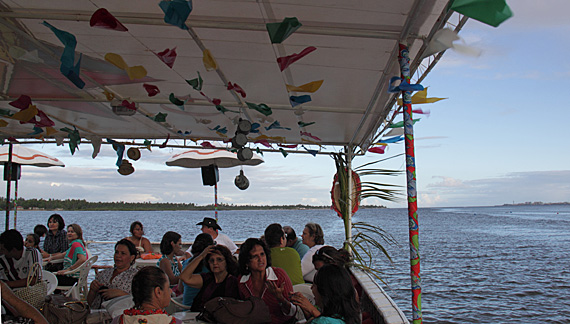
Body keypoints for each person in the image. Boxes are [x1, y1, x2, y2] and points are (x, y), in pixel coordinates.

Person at [238, 238, 295, 324]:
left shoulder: (279, 275)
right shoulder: (242, 281)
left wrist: (280, 299)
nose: (260, 259)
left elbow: (293, 312)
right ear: (247, 262)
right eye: (255, 256)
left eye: (262, 254)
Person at [179, 244, 240, 312]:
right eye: (211, 260)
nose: (215, 263)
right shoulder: (207, 278)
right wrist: (201, 256)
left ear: (227, 261)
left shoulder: (232, 281)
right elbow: (184, 277)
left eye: (219, 260)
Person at [110, 267, 182, 324]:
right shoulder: (173, 322)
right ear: (158, 292)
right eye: (168, 287)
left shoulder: (119, 321)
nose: (170, 291)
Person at [87, 239, 139, 309]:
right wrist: (92, 290)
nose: (118, 256)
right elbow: (90, 303)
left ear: (132, 257)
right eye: (116, 252)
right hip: (99, 314)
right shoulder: (102, 274)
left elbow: (140, 303)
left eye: (123, 253)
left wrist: (120, 294)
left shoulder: (136, 276)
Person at [180, 233, 214, 307]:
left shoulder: (186, 263)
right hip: (201, 308)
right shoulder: (211, 266)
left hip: (185, 306)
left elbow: (180, 288)